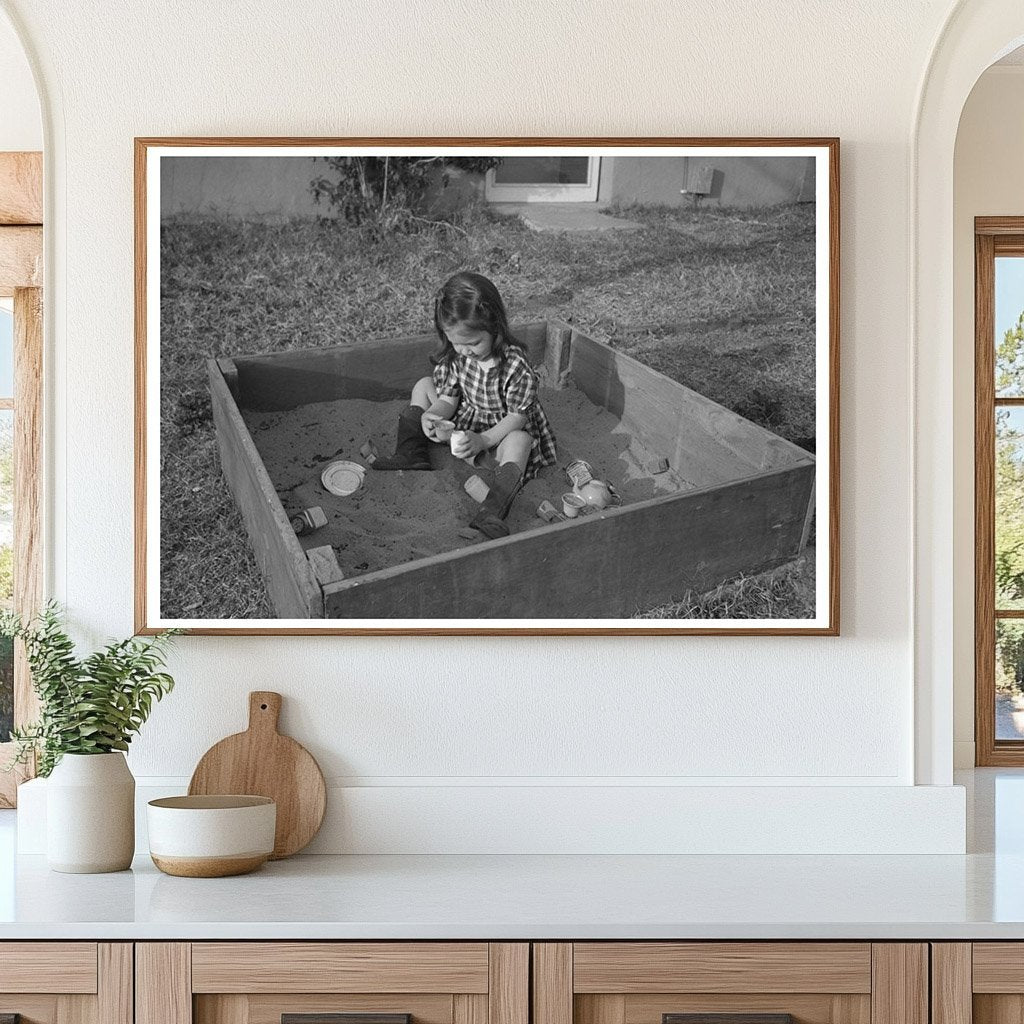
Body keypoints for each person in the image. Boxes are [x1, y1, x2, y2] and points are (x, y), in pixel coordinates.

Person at [372, 271, 557, 539]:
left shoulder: (515, 365)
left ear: (495, 327)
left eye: (473, 343)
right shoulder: (456, 357)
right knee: (424, 385)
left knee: (520, 440)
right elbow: (449, 399)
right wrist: (433, 416)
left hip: (498, 434)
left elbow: (517, 417)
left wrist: (483, 439)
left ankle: (492, 509)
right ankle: (412, 452)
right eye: (456, 343)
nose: (465, 351)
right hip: (466, 428)